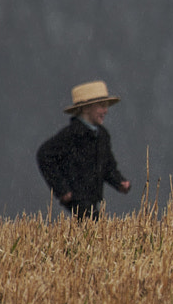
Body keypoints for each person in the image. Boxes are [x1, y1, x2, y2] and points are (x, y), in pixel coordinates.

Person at [36, 80, 132, 219]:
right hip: (77, 197)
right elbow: (44, 155)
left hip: (94, 197)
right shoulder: (70, 135)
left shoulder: (102, 135)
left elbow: (108, 166)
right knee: (94, 225)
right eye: (101, 106)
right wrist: (62, 189)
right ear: (86, 108)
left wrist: (119, 182)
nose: (105, 111)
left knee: (95, 229)